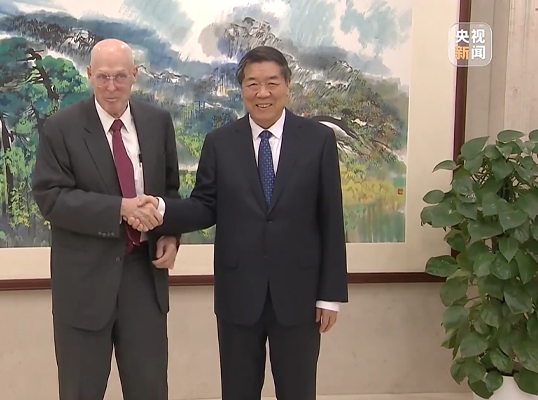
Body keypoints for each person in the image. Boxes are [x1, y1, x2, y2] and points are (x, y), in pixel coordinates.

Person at [129, 45, 349, 400]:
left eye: (271, 83)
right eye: (252, 84)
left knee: (298, 391)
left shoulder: (318, 140)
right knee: (238, 391)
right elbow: (204, 207)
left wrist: (330, 296)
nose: (262, 93)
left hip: (300, 295)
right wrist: (161, 209)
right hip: (238, 294)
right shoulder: (220, 143)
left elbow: (331, 219)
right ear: (242, 89)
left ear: (287, 84)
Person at [31, 38, 181, 400]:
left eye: (119, 77)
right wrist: (120, 209)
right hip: (84, 284)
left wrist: (170, 235)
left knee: (150, 390)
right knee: (80, 391)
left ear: (135, 75)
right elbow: (51, 198)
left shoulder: (157, 123)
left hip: (143, 278)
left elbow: (170, 192)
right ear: (89, 75)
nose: (111, 87)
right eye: (102, 77)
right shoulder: (61, 128)